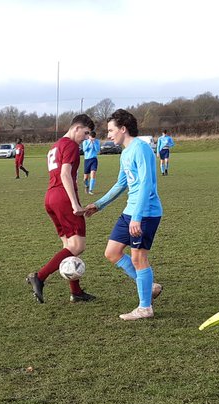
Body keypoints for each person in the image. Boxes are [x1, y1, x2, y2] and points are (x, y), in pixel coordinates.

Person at [84, 109, 163, 320]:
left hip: (145, 213)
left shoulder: (141, 149)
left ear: (123, 129)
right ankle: (149, 285)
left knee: (139, 258)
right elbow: (122, 184)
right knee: (112, 252)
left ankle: (145, 307)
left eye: (111, 130)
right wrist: (99, 205)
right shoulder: (126, 152)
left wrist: (137, 217)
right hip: (130, 211)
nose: (109, 135)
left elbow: (147, 183)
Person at [26, 115, 95, 304]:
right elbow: (65, 173)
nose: (86, 138)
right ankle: (39, 277)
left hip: (50, 197)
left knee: (69, 247)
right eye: (86, 133)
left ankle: (76, 292)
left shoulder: (55, 145)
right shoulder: (71, 145)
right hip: (63, 197)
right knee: (78, 246)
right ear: (77, 128)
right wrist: (75, 203)